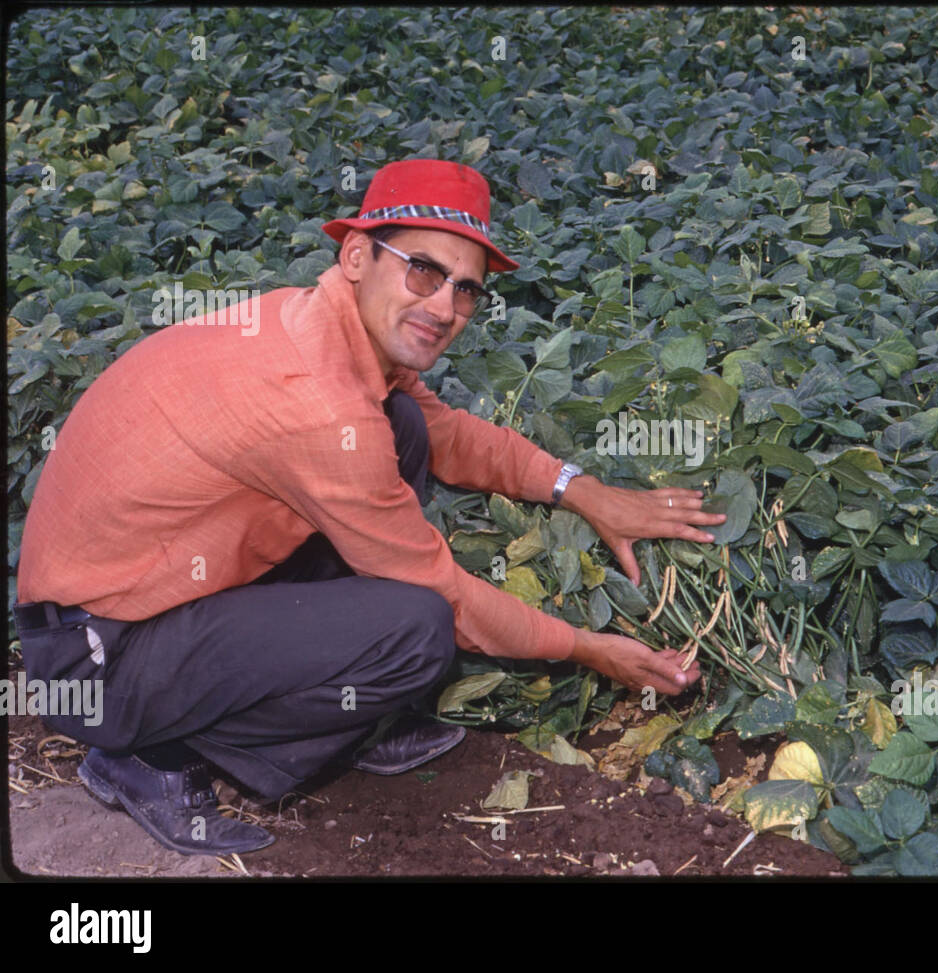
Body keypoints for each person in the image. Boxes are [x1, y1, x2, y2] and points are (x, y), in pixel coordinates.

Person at [12, 159, 724, 856]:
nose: (445, 306)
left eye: (466, 289)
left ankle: (348, 713)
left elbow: (441, 432)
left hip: (152, 598)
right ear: (357, 256)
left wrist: (585, 489)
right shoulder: (316, 404)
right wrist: (593, 649)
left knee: (405, 429)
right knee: (417, 630)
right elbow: (446, 596)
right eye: (423, 270)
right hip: (96, 660)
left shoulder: (320, 323)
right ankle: (146, 752)